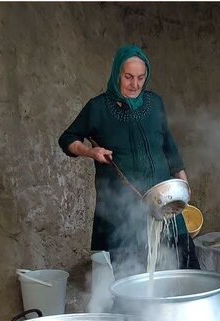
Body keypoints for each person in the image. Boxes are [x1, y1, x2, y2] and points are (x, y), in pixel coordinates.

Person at [59, 45, 199, 277]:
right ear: (117, 75)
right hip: (122, 211)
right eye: (128, 77)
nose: (135, 84)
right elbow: (67, 139)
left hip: (163, 203)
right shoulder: (98, 108)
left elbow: (168, 143)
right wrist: (90, 152)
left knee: (187, 270)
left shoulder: (154, 103)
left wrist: (181, 178)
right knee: (133, 282)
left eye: (141, 78)